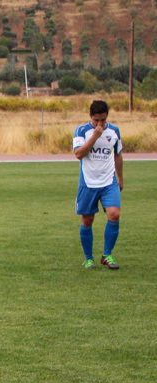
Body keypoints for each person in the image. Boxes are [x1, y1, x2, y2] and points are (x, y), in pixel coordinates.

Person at [73, 100, 124, 270]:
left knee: (114, 214)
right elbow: (79, 154)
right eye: (97, 120)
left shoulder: (114, 131)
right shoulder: (81, 131)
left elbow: (117, 155)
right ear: (90, 117)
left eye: (103, 120)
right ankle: (88, 258)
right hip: (88, 182)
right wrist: (95, 135)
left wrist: (120, 178)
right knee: (87, 220)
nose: (100, 124)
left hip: (109, 181)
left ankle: (107, 255)